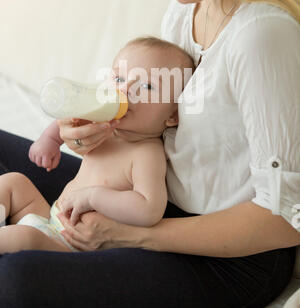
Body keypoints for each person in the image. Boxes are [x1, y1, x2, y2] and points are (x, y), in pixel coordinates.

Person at [0, 0, 299, 308]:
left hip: (229, 256)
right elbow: (163, 117)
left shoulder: (262, 37)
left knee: (17, 282)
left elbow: (284, 219)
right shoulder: (188, 6)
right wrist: (102, 128)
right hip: (150, 198)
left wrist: (136, 235)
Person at [0, 36, 194, 253]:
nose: (126, 89)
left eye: (147, 86)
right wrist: (50, 140)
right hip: (50, 219)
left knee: (24, 237)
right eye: (119, 79)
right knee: (14, 184)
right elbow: (71, 117)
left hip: (69, 245)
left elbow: (149, 208)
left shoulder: (146, 153)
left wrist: (94, 197)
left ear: (173, 115)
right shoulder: (104, 122)